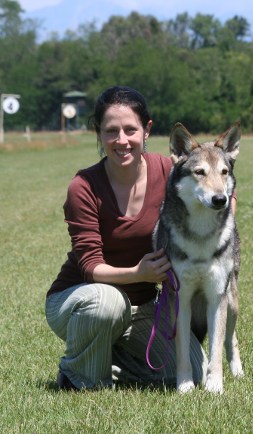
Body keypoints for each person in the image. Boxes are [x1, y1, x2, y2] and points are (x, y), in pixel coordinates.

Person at [46, 86, 207, 390]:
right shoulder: (83, 186)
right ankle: (76, 376)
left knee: (191, 373)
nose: (122, 140)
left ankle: (107, 357)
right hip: (82, 299)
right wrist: (138, 274)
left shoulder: (170, 171)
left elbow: (217, 189)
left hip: (143, 307)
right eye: (111, 131)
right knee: (109, 303)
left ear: (147, 130)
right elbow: (89, 266)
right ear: (99, 133)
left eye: (130, 129)